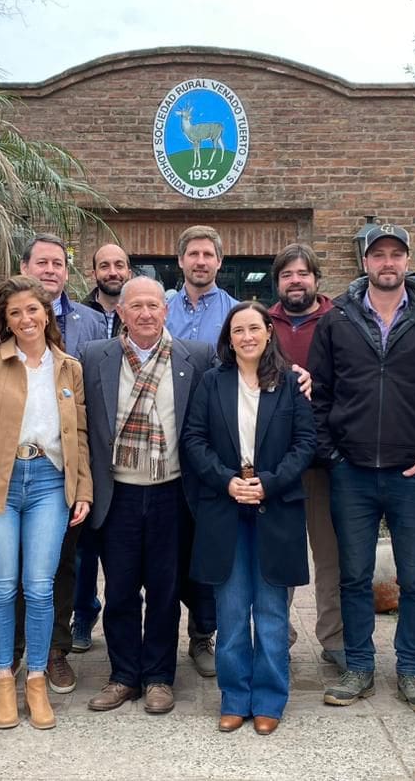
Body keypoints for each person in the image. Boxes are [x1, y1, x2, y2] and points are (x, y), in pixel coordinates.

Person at [307, 222, 415, 711]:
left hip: (411, 475)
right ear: (365, 262)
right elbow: (319, 396)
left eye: (396, 254)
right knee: (354, 576)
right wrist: (332, 456)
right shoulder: (337, 320)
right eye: (379, 255)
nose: (387, 263)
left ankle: (411, 672)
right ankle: (359, 668)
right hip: (351, 472)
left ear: (407, 260)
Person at [0, 275, 93, 731]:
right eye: (15, 312)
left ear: (46, 313)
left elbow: (80, 435)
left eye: (33, 309)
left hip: (50, 482)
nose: (25, 319)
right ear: (4, 319)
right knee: (4, 586)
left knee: (39, 585)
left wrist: (83, 488)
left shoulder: (68, 366)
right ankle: (5, 678)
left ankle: (36, 679)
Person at [80, 276, 215, 714]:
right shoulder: (95, 357)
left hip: (171, 493)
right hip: (117, 493)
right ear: (120, 313)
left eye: (153, 306)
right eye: (134, 305)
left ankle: (158, 676)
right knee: (119, 589)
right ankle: (123, 676)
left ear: (166, 310)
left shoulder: (195, 357)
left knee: (164, 589)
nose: (144, 313)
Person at [182, 302, 316, 735]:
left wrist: (270, 483)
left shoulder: (291, 383)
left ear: (268, 333)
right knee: (233, 610)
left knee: (273, 611)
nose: (247, 336)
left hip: (275, 508)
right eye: (238, 330)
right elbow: (194, 439)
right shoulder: (211, 382)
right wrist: (226, 481)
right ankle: (235, 697)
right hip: (225, 509)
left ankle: (270, 699)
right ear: (229, 338)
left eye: (254, 328)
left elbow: (305, 443)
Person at [5, 233, 108, 694]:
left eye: (58, 263)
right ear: (25, 266)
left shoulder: (91, 321)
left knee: (60, 563)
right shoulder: (2, 322)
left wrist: (85, 476)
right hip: (8, 468)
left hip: (61, 464)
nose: (50, 270)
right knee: (10, 570)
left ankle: (56, 650)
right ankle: (12, 653)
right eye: (41, 262)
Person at [268, 243, 345, 672]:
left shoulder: (339, 320)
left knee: (329, 554)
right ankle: (279, 633)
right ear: (278, 282)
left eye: (303, 274)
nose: (295, 281)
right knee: (280, 551)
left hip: (325, 459)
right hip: (278, 462)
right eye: (286, 275)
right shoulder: (264, 323)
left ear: (316, 279)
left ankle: (333, 637)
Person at [165, 224, 236, 678]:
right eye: (193, 254)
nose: (201, 261)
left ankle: (202, 635)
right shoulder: (160, 307)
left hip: (211, 446)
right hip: (159, 446)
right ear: (181, 262)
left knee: (205, 544)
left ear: (220, 262)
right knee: (165, 546)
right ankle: (158, 637)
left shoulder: (235, 312)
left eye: (208, 254)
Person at [69, 241, 134, 655]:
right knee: (84, 542)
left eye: (120, 264)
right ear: (93, 273)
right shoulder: (84, 319)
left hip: (133, 450)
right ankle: (83, 613)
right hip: (88, 443)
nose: (112, 271)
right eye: (104, 265)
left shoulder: (142, 309)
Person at [84, 242, 131, 338]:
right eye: (104, 266)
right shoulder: (80, 315)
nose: (113, 273)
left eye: (119, 266)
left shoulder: (139, 315)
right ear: (94, 274)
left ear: (129, 274)